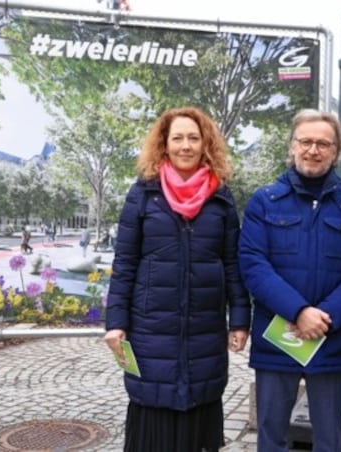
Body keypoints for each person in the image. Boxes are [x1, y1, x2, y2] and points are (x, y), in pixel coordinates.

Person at [104, 106, 250, 452]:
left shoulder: (221, 198)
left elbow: (232, 262)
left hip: (205, 329)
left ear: (205, 144)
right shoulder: (143, 194)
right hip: (151, 327)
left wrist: (240, 320)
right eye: (178, 138)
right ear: (164, 145)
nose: (186, 145)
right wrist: (115, 322)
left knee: (200, 405)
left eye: (194, 138)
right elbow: (125, 263)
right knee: (153, 412)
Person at [238, 109, 341, 452]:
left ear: (336, 151)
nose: (313, 150)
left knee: (329, 440)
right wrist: (298, 312)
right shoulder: (264, 202)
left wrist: (323, 317)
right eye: (306, 141)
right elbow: (253, 265)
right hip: (278, 337)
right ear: (292, 147)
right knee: (272, 438)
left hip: (331, 338)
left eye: (323, 143)